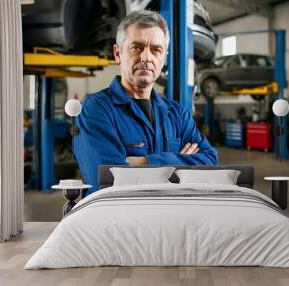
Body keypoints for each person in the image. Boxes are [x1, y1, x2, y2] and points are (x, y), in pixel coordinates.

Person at [74, 10, 218, 196]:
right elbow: (107, 179)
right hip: (116, 220)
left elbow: (210, 160)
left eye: (156, 50)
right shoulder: (96, 109)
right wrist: (181, 161)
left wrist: (144, 163)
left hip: (169, 218)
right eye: (137, 47)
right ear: (118, 53)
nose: (146, 57)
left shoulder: (177, 113)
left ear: (164, 57)